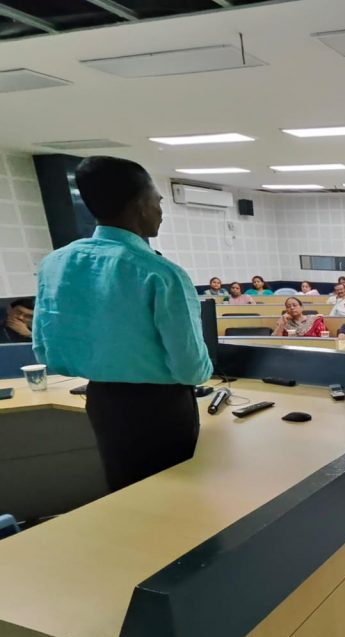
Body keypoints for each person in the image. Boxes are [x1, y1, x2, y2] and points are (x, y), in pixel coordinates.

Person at [32, 156, 212, 491]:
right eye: (158, 201)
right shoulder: (160, 273)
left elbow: (44, 349)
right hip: (161, 409)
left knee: (124, 489)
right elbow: (191, 369)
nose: (161, 211)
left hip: (103, 401)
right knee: (174, 495)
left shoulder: (54, 264)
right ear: (139, 205)